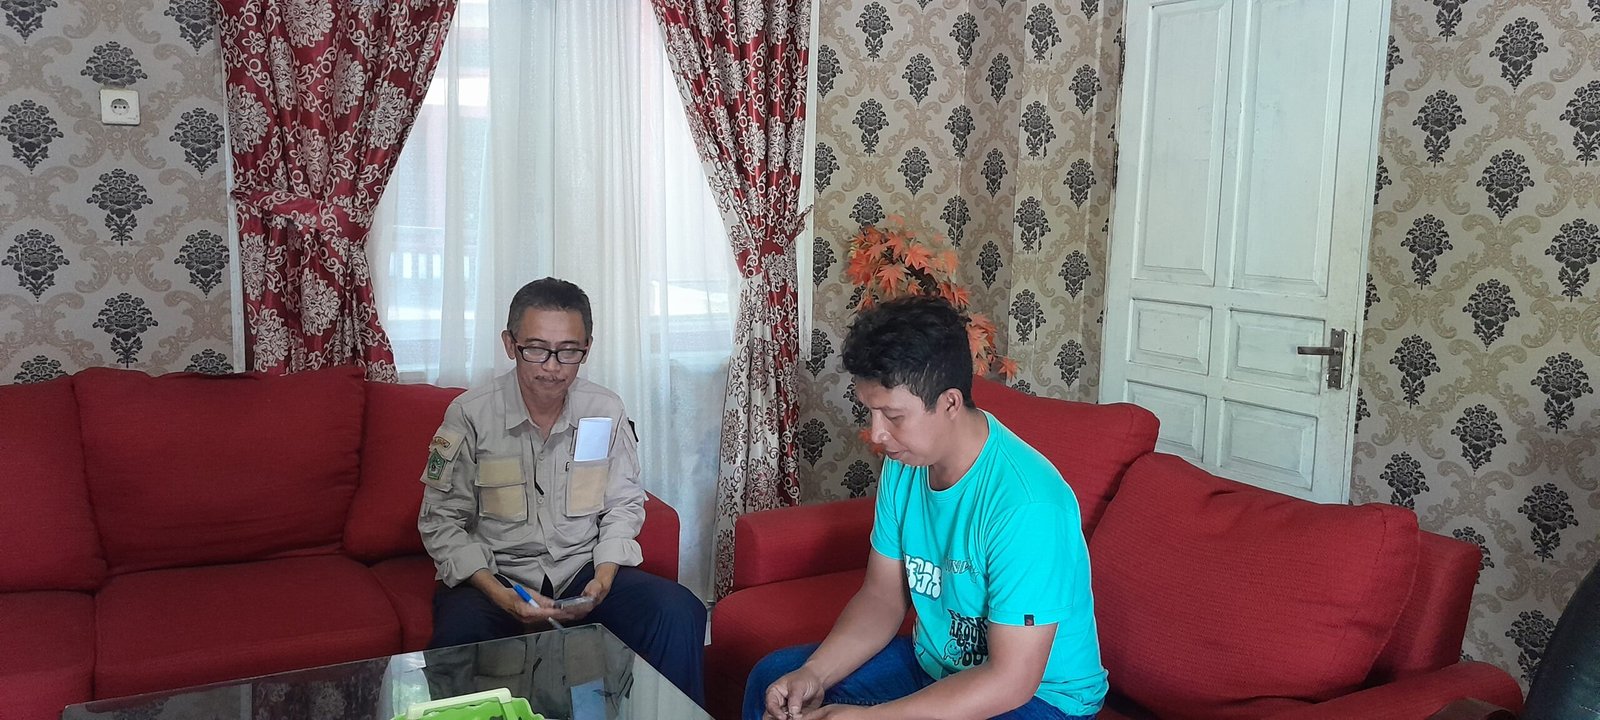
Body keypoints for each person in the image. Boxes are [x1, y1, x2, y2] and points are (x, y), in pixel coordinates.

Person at [744, 296, 1107, 720]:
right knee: (775, 681)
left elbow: (1011, 681)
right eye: (871, 412)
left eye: (893, 416)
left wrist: (870, 719)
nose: (877, 434)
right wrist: (815, 674)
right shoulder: (905, 464)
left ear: (949, 403)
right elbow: (882, 598)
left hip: (1041, 699)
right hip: (935, 666)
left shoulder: (1027, 505)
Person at [418, 277, 705, 705]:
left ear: (586, 349)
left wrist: (604, 576)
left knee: (679, 610)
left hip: (582, 571)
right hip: (498, 578)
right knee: (459, 639)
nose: (552, 366)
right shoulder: (470, 414)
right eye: (536, 348)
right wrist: (499, 594)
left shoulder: (605, 409)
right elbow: (440, 521)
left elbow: (624, 503)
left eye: (568, 351)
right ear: (510, 344)